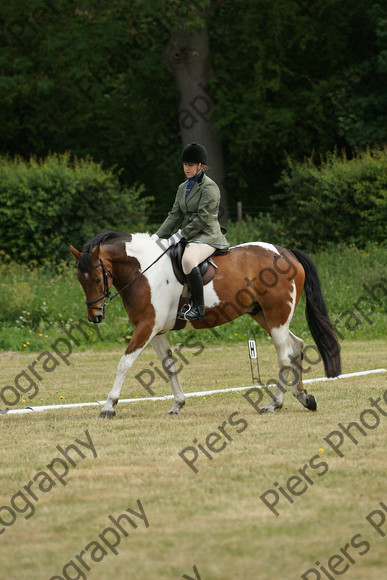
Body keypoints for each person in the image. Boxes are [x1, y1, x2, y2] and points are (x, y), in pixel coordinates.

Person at [152, 142, 229, 321]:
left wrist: (179, 235)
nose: (186, 168)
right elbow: (174, 215)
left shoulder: (209, 187)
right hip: (189, 234)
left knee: (188, 260)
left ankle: (198, 308)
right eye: (185, 165)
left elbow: (204, 218)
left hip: (207, 235)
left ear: (200, 166)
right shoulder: (182, 187)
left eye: (190, 165)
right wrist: (157, 237)